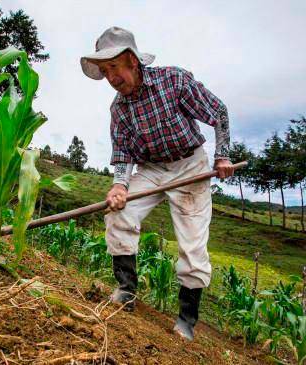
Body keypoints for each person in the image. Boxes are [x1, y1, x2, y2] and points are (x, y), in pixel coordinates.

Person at [80, 26, 235, 341]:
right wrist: (120, 186)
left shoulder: (173, 81)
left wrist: (222, 157)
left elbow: (217, 111)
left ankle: (186, 321)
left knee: (192, 244)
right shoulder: (119, 109)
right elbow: (123, 154)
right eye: (105, 71)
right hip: (151, 169)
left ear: (133, 62)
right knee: (118, 211)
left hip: (189, 165)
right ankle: (126, 291)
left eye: (114, 67)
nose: (111, 77)